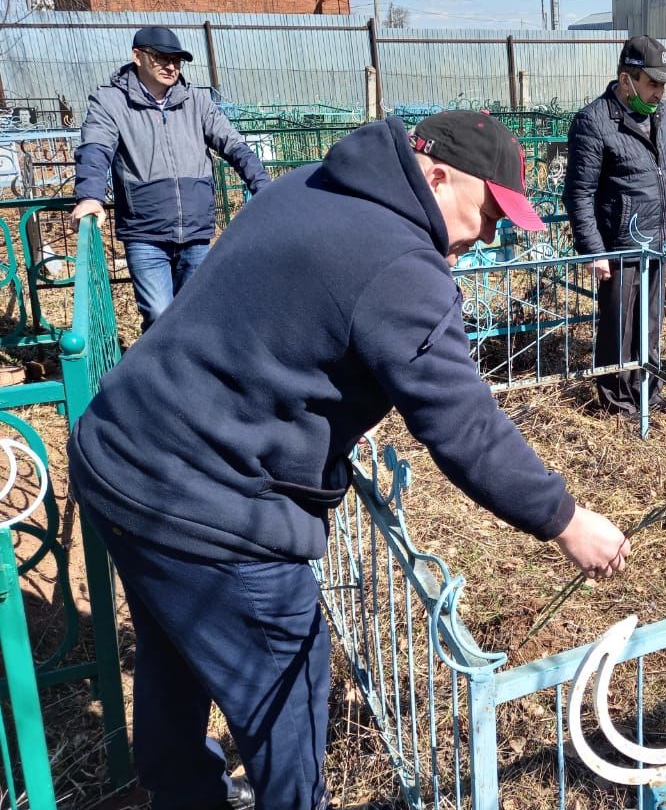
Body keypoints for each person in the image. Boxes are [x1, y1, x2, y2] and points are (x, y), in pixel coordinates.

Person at [67, 112, 631, 810]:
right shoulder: (398, 262)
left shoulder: (316, 184)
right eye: (490, 212)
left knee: (175, 651)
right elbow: (462, 423)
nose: (492, 235)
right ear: (437, 177)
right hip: (206, 501)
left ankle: (181, 793)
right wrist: (566, 519)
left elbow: (280, 322)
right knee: (289, 673)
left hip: (123, 454)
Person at [72, 25, 270, 331]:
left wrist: (263, 187)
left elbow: (234, 145)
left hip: (195, 230)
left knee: (196, 313)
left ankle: (190, 374)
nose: (170, 66)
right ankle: (161, 373)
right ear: (137, 56)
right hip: (146, 232)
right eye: (161, 58)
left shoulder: (195, 101)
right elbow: (95, 149)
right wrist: (90, 196)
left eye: (176, 60)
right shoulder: (111, 102)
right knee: (159, 313)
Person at [563, 36, 666, 417]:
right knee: (619, 325)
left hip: (658, 240)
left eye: (663, 85)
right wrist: (594, 250)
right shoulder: (594, 122)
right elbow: (579, 194)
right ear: (626, 81)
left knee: (651, 322)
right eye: (652, 84)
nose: (659, 92)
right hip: (620, 242)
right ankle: (616, 401)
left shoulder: (664, 116)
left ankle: (647, 393)